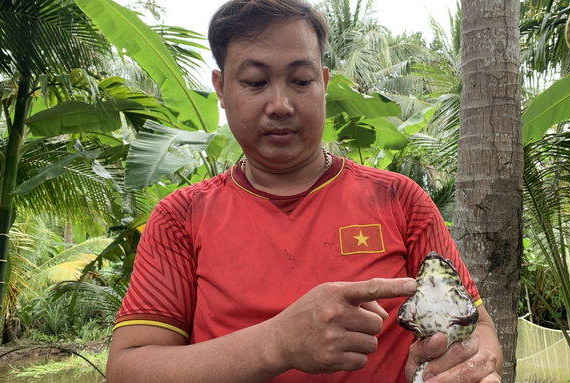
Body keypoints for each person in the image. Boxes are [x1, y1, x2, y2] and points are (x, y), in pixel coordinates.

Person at [106, 0, 503, 381]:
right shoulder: (181, 218)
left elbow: (479, 328)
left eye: (300, 81)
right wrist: (277, 344)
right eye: (255, 82)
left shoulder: (401, 201)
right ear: (221, 89)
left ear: (324, 83)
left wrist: (464, 363)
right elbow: (129, 370)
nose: (280, 104)